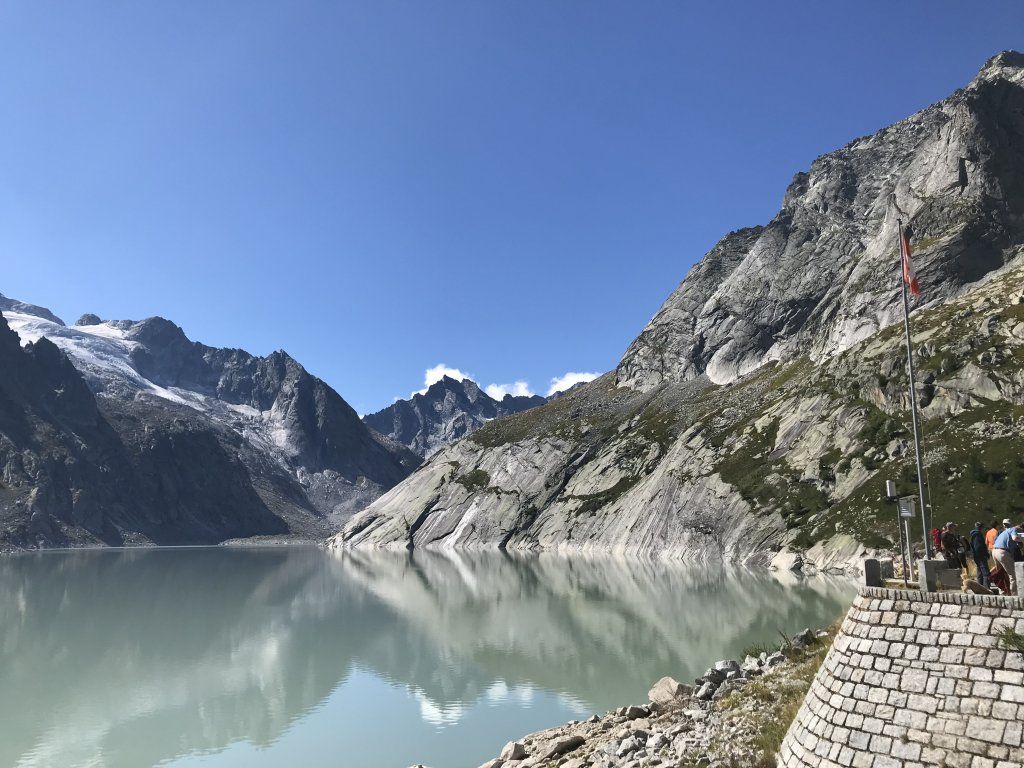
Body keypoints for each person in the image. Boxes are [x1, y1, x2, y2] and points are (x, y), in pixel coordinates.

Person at [992, 521, 1022, 596]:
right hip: (1002, 552)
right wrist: (1021, 539)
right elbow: (1015, 538)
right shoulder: (1014, 529)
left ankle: (1002, 593)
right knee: (1013, 576)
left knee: (1000, 573)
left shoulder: (1006, 531)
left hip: (994, 551)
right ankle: (1015, 595)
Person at [969, 521, 991, 588]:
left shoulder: (973, 534)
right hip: (980, 556)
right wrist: (985, 554)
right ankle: (986, 588)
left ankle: (980, 587)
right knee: (985, 572)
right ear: (981, 528)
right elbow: (978, 547)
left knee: (980, 571)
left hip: (976, 556)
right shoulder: (977, 534)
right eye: (984, 528)